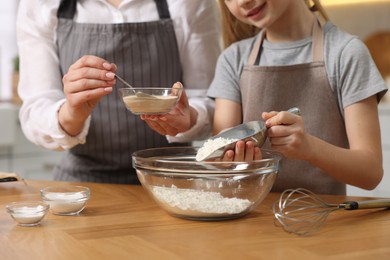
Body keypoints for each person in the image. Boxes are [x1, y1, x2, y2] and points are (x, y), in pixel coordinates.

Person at [144, 0, 388, 195]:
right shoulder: (233, 59)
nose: (243, 2)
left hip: (322, 220)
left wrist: (309, 147)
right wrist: (229, 162)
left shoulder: (346, 54)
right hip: (247, 218)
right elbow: (218, 157)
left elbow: (370, 173)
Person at [16, 0, 220, 184]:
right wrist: (71, 114)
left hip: (171, 182)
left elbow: (211, 100)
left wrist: (190, 118)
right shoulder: (40, 4)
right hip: (83, 184)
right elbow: (36, 108)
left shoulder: (190, 3)